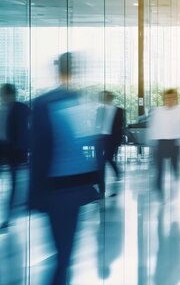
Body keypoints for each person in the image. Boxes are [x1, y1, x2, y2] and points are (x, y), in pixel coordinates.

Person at [29, 52, 100, 284]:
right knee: (65, 251)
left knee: (62, 251)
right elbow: (88, 145)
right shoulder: (80, 101)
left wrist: (34, 194)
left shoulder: (44, 103)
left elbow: (38, 152)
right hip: (74, 187)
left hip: (56, 188)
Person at [0, 83, 30, 230]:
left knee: (14, 183)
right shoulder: (2, 109)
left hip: (14, 151)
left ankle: (10, 215)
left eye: (4, 93)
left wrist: (25, 148)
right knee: (13, 182)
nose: (3, 96)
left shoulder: (22, 108)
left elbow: (28, 129)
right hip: (3, 149)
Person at [148, 89, 180, 193]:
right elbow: (153, 126)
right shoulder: (158, 111)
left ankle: (175, 180)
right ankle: (159, 188)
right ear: (164, 99)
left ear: (175, 99)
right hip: (161, 142)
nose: (169, 100)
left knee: (175, 167)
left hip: (174, 142)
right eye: (167, 98)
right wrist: (152, 141)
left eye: (172, 98)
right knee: (159, 169)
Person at [95, 90, 125, 198]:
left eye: (106, 97)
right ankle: (101, 189)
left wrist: (118, 142)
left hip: (112, 139)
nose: (104, 99)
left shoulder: (119, 111)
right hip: (100, 138)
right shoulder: (99, 109)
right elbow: (96, 124)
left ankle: (117, 173)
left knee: (108, 158)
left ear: (111, 98)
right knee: (100, 162)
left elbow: (121, 127)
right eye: (102, 97)